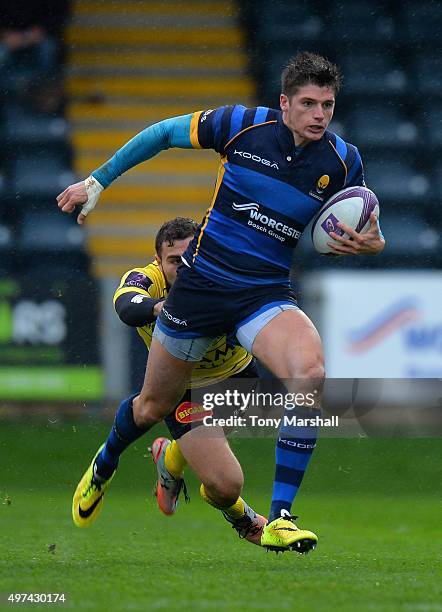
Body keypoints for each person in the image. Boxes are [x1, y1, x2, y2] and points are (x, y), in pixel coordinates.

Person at [58, 51, 385, 552]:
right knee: (151, 407)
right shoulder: (241, 126)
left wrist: (370, 242)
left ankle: (280, 516)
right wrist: (98, 181)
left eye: (328, 104)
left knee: (310, 374)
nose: (320, 114)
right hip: (202, 287)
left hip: (264, 294)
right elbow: (164, 132)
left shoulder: (343, 161)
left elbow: (364, 226)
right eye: (308, 103)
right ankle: (105, 465)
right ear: (284, 104)